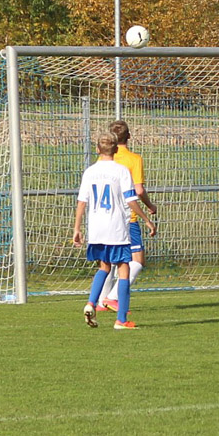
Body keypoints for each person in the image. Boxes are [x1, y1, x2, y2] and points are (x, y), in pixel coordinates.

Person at [73, 133, 156, 330]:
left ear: (98, 149)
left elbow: (82, 202)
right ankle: (121, 319)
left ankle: (91, 303)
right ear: (116, 150)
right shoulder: (121, 171)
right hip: (116, 227)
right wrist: (146, 219)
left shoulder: (90, 171)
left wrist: (77, 228)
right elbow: (130, 200)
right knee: (124, 268)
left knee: (104, 266)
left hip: (96, 229)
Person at [95, 120, 158, 312]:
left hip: (104, 217)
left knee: (108, 262)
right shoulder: (133, 159)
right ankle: (112, 298)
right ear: (129, 136)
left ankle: (100, 302)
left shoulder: (103, 159)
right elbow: (138, 190)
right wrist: (150, 207)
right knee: (137, 261)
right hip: (126, 217)